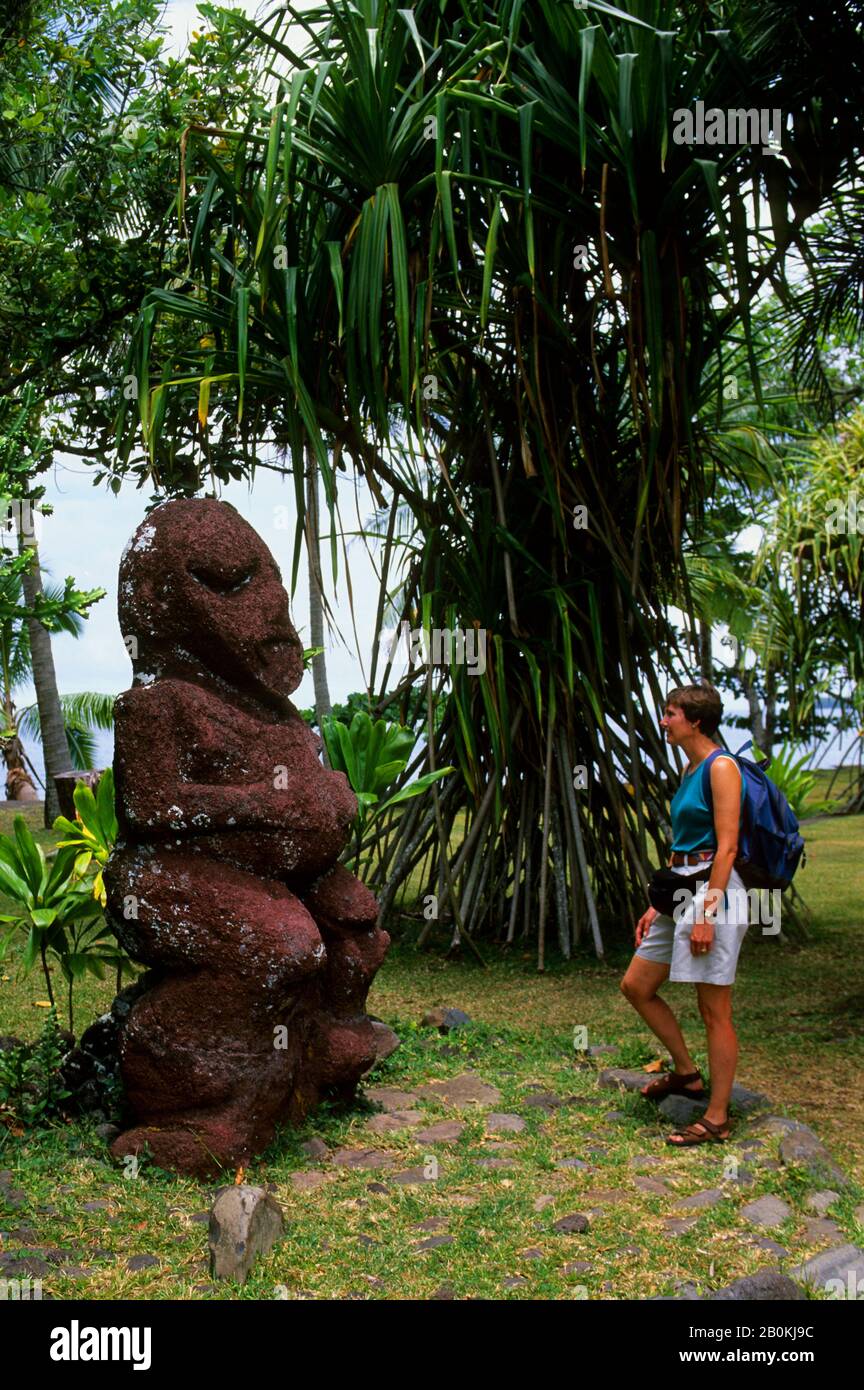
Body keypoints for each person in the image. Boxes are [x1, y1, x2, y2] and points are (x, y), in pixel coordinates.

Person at [620, 681, 748, 1145]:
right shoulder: (692, 767)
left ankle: (716, 1117)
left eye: (671, 713)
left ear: (695, 721)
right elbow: (685, 850)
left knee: (714, 1009)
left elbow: (727, 846)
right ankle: (687, 1074)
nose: (664, 721)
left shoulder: (721, 767)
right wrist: (659, 907)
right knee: (636, 985)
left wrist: (708, 913)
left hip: (713, 894)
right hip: (680, 891)